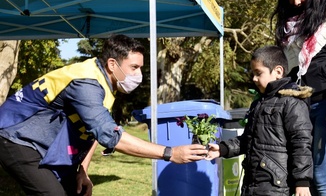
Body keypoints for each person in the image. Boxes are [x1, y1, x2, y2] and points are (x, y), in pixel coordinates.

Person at [0, 34, 208, 196]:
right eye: (134, 67)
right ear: (112, 64)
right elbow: (109, 135)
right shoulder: (86, 84)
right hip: (14, 138)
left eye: (140, 68)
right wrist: (170, 153)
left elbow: (91, 133)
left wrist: (82, 171)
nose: (138, 75)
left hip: (38, 141)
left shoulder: (104, 82)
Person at [270, 0, 326, 195]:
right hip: (299, 106)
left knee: (321, 177)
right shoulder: (288, 26)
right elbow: (286, 71)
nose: (296, 2)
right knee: (301, 174)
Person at [207, 46, 313, 196]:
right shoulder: (258, 104)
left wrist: (302, 182)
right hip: (252, 183)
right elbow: (247, 140)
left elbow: (301, 143)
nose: (254, 79)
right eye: (253, 74)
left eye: (258, 73)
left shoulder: (292, 103)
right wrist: (223, 149)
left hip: (277, 186)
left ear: (278, 72)